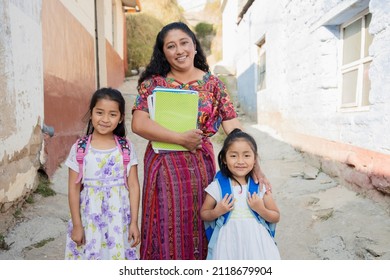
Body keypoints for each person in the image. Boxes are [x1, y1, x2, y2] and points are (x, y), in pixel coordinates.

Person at [131, 21, 270, 260]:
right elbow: (138, 124)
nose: (179, 50)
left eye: (184, 42)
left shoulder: (214, 85)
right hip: (163, 166)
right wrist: (179, 138)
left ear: (194, 46)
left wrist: (255, 166)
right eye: (171, 46)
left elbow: (233, 127)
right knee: (166, 222)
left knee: (202, 218)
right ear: (163, 53)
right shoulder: (153, 84)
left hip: (199, 167)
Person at [64, 87, 141, 260]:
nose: (105, 119)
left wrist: (134, 222)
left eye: (112, 114)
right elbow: (73, 189)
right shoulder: (80, 148)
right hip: (88, 220)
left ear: (121, 118)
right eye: (100, 112)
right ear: (91, 113)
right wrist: (77, 224)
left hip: (118, 221)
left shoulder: (126, 148)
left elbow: (134, 186)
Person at [200, 128, 281, 259]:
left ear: (255, 160)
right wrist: (217, 212)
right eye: (233, 155)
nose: (240, 161)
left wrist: (261, 209)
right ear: (224, 159)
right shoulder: (217, 187)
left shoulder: (260, 187)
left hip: (257, 246)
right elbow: (204, 214)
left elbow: (275, 216)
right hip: (228, 245)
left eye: (247, 155)